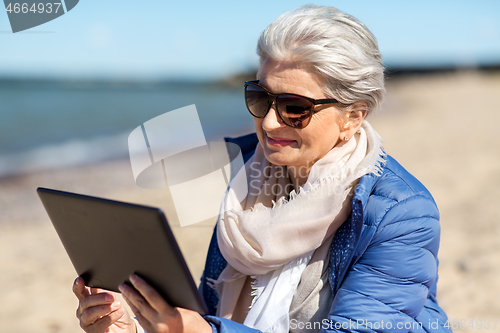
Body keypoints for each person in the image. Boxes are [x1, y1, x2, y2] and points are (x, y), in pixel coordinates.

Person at [73, 5, 451, 333]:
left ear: (352, 116)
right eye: (260, 97)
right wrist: (136, 323)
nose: (269, 123)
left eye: (294, 108)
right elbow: (212, 311)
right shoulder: (239, 168)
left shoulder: (400, 214)